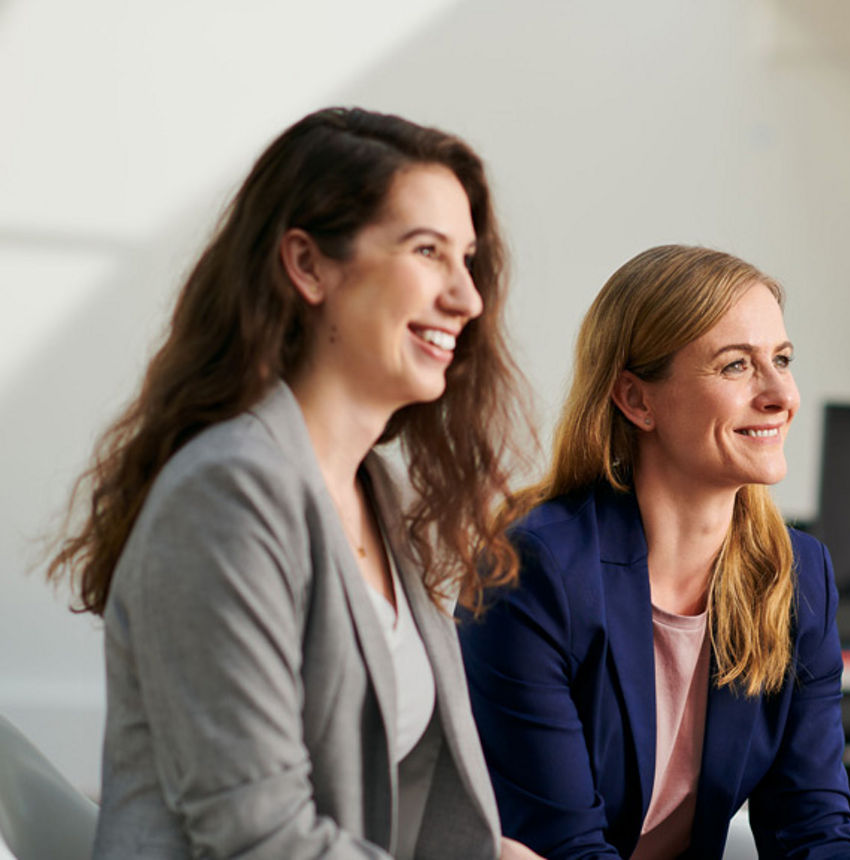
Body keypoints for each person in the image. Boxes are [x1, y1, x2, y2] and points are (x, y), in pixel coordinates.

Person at [47, 107, 541, 859]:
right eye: (427, 251)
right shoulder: (228, 494)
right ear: (308, 266)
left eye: (467, 259)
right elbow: (258, 836)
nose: (468, 298)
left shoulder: (373, 491)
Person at [457, 245, 850, 859]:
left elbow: (814, 828)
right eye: (736, 365)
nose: (780, 394)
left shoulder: (796, 574)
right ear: (637, 400)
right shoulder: (533, 570)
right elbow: (565, 847)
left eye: (782, 360)